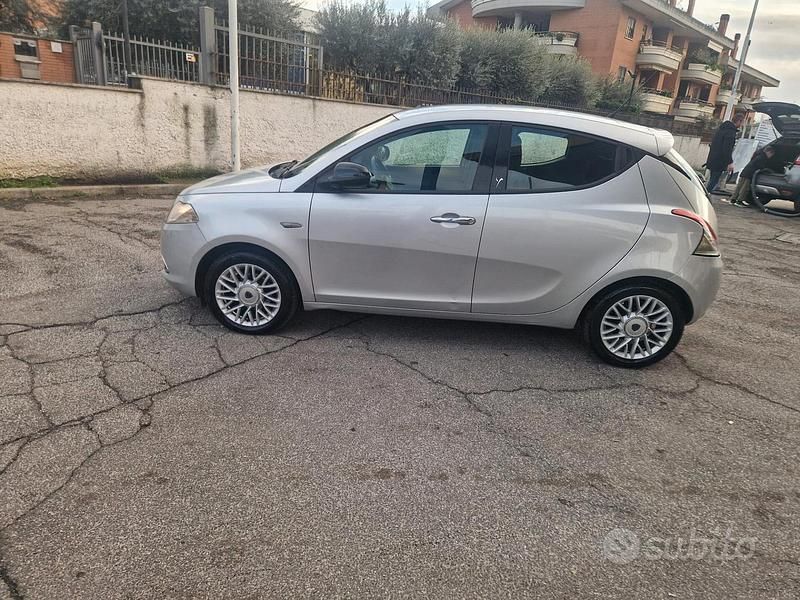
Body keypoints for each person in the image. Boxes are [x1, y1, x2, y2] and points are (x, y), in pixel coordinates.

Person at [705, 112, 746, 193]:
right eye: (742, 122)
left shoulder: (721, 129)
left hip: (712, 158)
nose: (742, 125)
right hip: (719, 161)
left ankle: (705, 193)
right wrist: (730, 162)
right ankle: (705, 195)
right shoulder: (730, 133)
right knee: (714, 181)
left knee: (712, 179)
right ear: (739, 121)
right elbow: (727, 148)